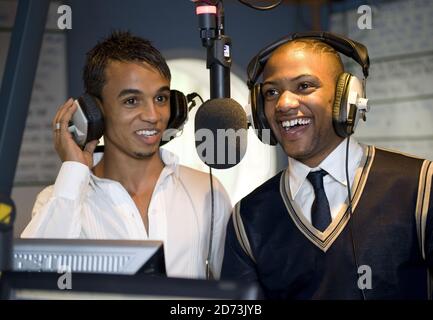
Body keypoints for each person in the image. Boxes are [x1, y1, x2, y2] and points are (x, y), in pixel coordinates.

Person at [221, 33, 433, 299]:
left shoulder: (421, 186)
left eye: (304, 86)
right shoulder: (248, 217)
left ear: (348, 99)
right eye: (271, 92)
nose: (284, 104)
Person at [21, 31, 232, 279]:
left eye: (161, 98)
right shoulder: (58, 199)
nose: (153, 115)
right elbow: (32, 280)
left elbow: (232, 293)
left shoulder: (207, 192)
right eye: (132, 101)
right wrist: (73, 171)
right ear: (93, 113)